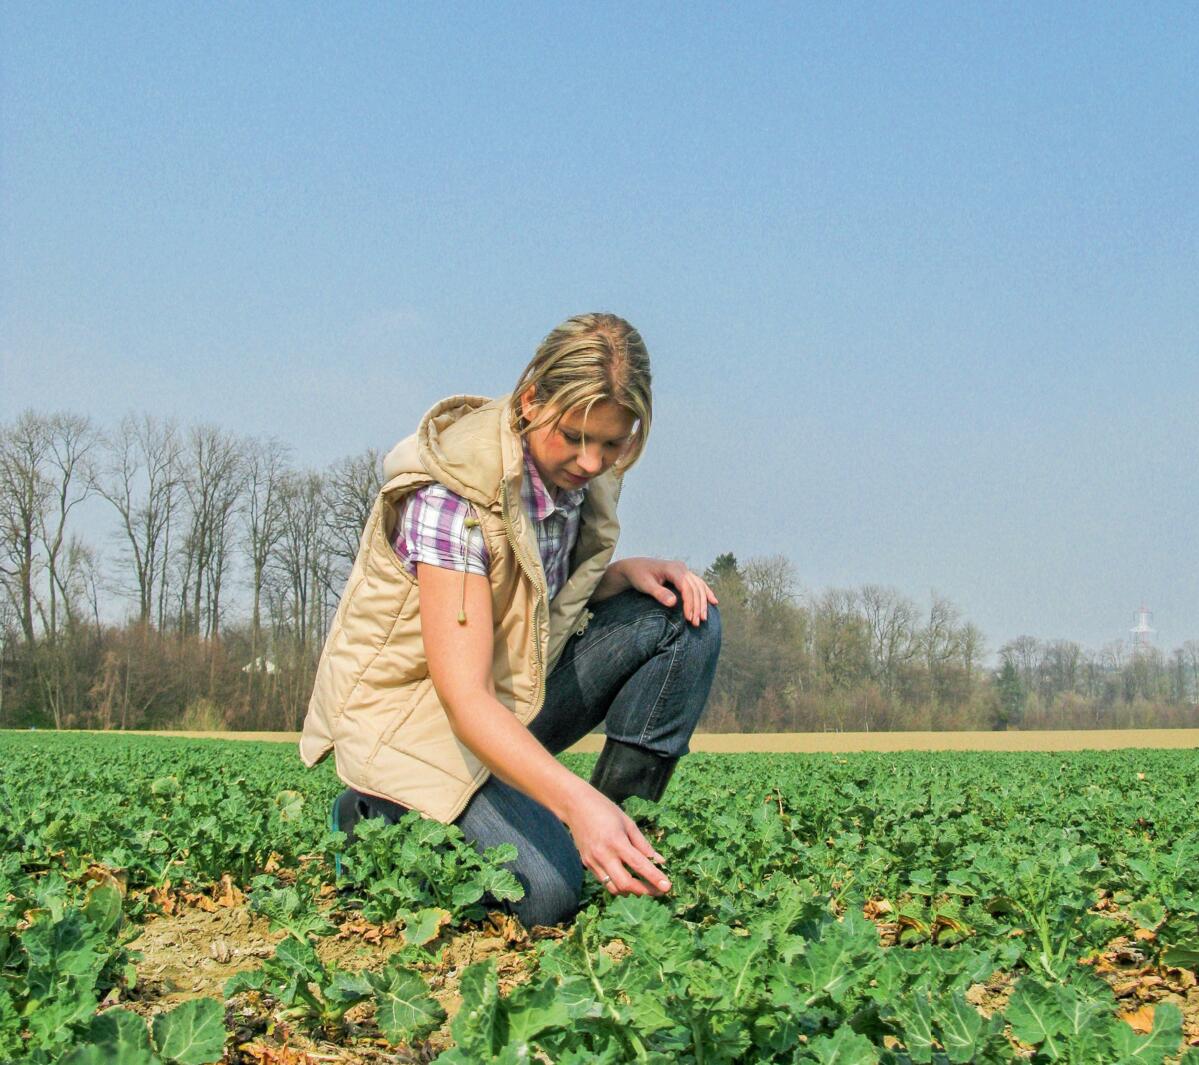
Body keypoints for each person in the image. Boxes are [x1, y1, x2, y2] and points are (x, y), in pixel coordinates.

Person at [299, 313, 721, 927]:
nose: (591, 460)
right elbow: (464, 699)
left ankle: (622, 838)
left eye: (612, 442)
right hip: (426, 723)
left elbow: (525, 601)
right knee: (547, 898)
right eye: (577, 437)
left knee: (685, 621)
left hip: (511, 697)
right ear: (531, 402)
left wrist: (620, 574)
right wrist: (572, 803)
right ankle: (372, 816)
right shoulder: (452, 502)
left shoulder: (571, 477)